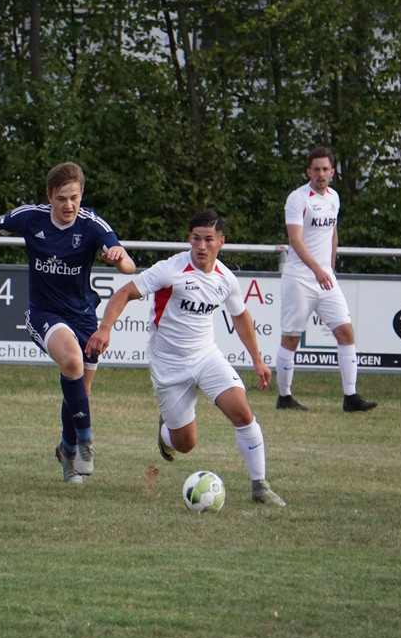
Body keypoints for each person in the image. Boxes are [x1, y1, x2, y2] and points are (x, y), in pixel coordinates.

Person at [0, 162, 136, 484]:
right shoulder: (31, 217)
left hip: (82, 317)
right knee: (71, 359)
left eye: (75, 198)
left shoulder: (91, 224)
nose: (69, 205)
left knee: (80, 392)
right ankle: (85, 444)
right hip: (44, 314)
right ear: (49, 196)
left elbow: (128, 267)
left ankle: (65, 450)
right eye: (62, 198)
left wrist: (119, 256)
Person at [86, 209, 287, 506]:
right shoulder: (170, 270)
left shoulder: (225, 279)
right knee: (185, 443)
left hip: (206, 357)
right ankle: (165, 432)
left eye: (208, 239)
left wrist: (258, 360)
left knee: (243, 413)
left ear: (221, 241)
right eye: (196, 239)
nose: (201, 246)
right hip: (168, 364)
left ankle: (260, 486)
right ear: (189, 239)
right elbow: (124, 293)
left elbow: (241, 316)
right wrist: (105, 328)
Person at [275, 146, 376, 412]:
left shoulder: (334, 197)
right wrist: (317, 270)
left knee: (345, 332)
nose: (321, 174)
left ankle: (350, 397)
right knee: (291, 338)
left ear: (332, 171)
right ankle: (284, 397)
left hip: (325, 278)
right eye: (316, 169)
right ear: (308, 171)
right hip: (300, 278)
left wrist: (329, 267)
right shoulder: (298, 199)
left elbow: (332, 232)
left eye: (325, 169)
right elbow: (295, 240)